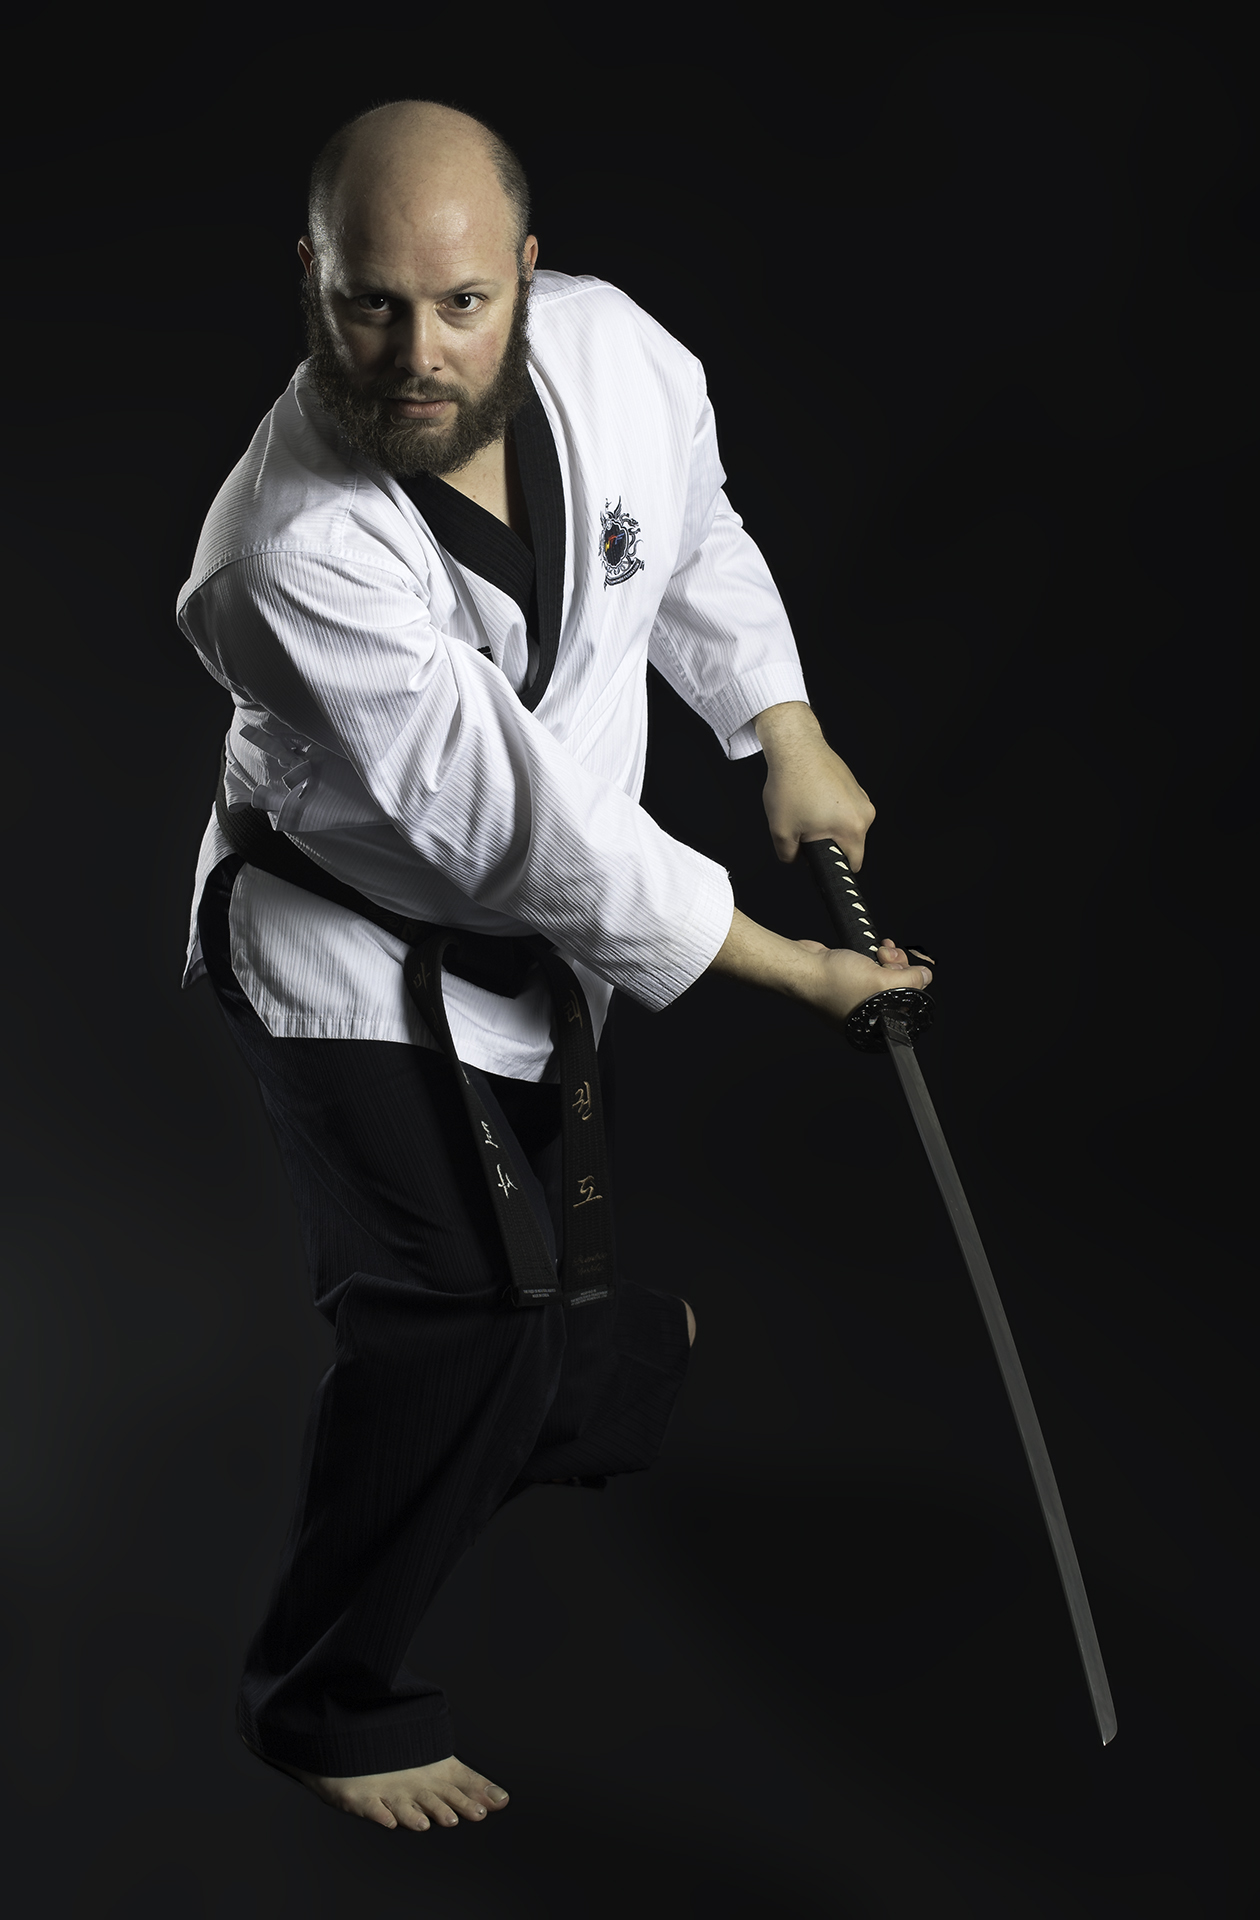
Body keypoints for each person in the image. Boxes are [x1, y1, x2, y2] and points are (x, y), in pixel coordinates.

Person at [178, 98, 932, 1835]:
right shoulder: (285, 551)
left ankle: (569, 1380)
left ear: (527, 272)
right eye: (371, 305)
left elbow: (693, 530)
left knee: (509, 1312)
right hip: (354, 944)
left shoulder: (613, 353)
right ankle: (322, 1701)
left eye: (462, 303)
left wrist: (783, 725)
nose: (418, 354)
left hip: (540, 940)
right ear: (312, 282)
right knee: (445, 1317)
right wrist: (797, 972)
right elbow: (527, 832)